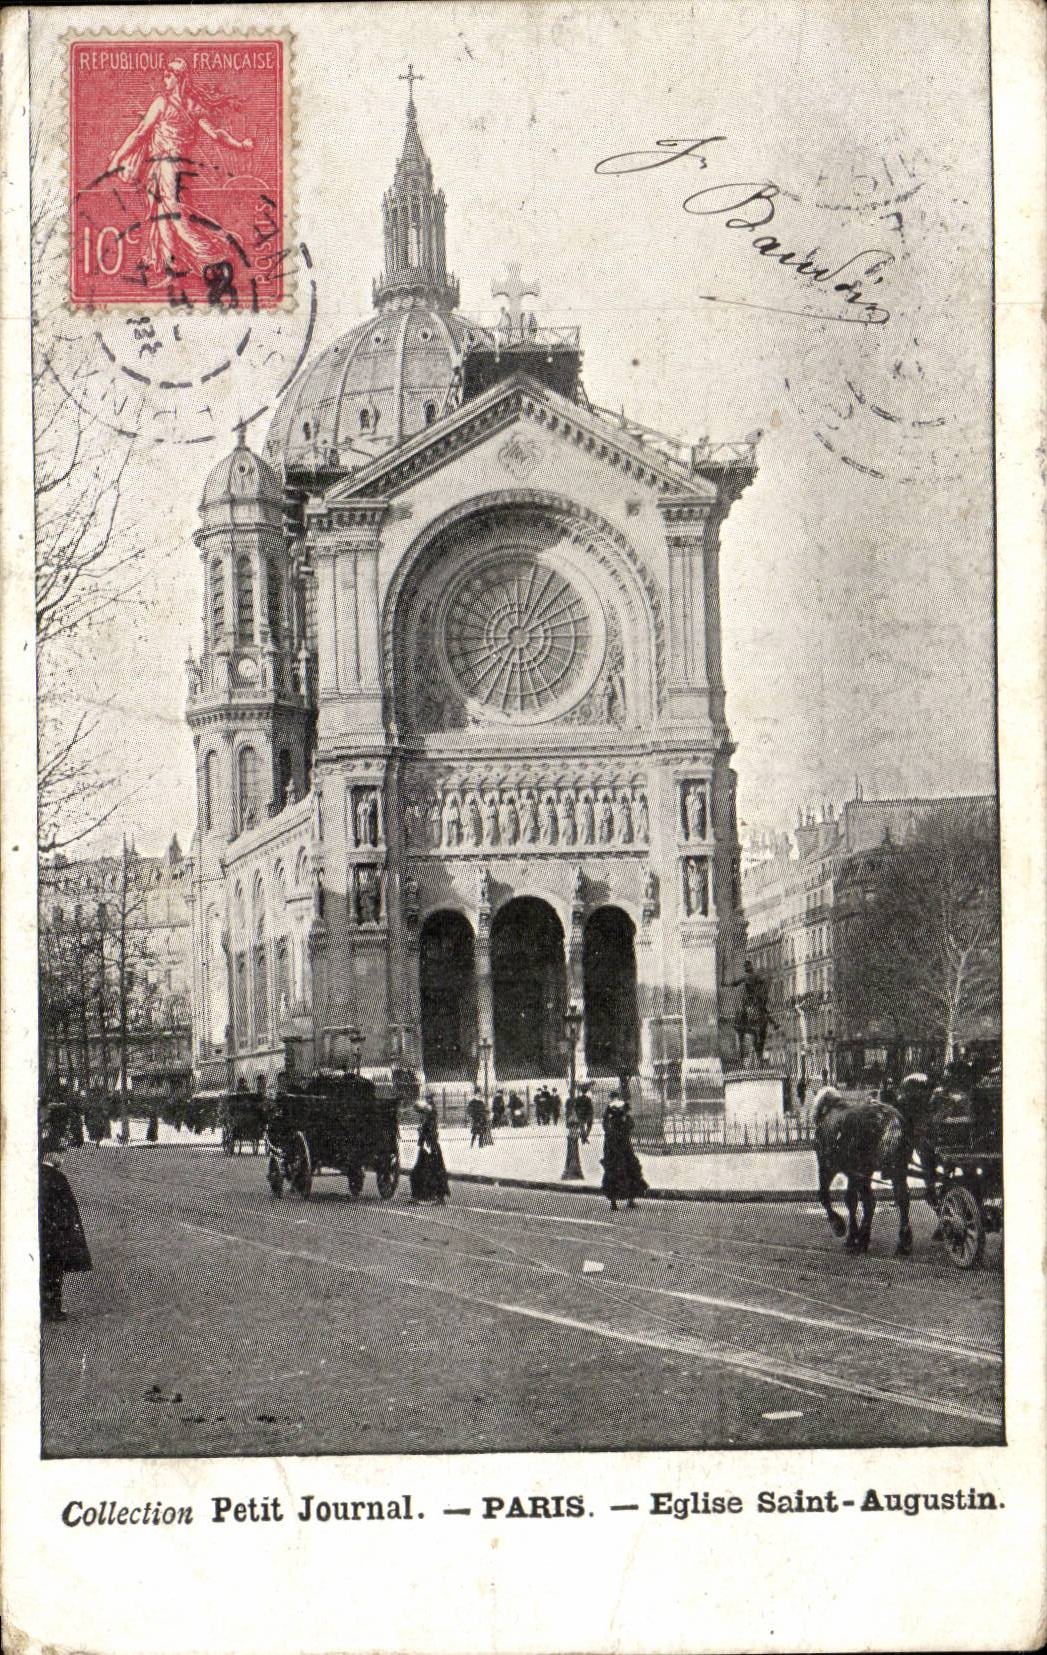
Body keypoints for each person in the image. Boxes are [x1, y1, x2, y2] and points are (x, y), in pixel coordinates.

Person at [39, 1117, 92, 1322]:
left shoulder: (37, 1174)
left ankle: (44, 1308)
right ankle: (52, 1309)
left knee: (44, 1270)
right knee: (54, 1272)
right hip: (55, 1234)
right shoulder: (57, 1177)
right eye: (61, 1153)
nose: (64, 1157)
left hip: (42, 1231)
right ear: (51, 1155)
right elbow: (67, 1207)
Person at [600, 1094, 648, 1212]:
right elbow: (629, 1126)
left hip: (613, 1146)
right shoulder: (620, 1113)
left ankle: (615, 1202)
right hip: (621, 1146)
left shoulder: (609, 1114)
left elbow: (607, 1128)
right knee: (628, 1169)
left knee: (615, 1171)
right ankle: (628, 1200)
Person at [409, 1100, 449, 1203]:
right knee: (431, 1171)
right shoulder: (429, 1119)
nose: (419, 1116)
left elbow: (430, 1134)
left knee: (426, 1172)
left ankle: (427, 1196)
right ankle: (435, 1196)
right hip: (430, 1148)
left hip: (429, 1149)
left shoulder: (429, 1121)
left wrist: (422, 1135)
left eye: (420, 1113)